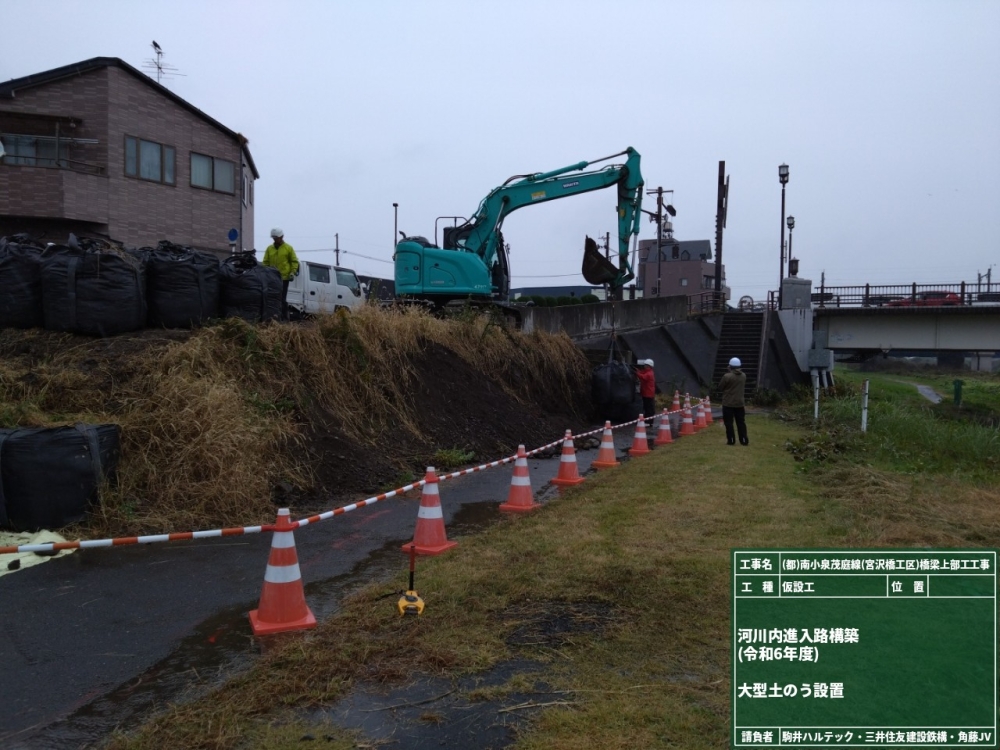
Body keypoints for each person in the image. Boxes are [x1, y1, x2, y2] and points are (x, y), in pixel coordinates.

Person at [262, 227, 299, 321]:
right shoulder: (269, 249)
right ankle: (272, 317)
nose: (275, 239)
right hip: (272, 278)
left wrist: (292, 272)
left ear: (282, 237)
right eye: (273, 238)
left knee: (281, 299)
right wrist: (265, 272)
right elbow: (265, 262)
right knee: (271, 298)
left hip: (284, 278)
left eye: (276, 238)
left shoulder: (288, 248)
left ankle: (285, 318)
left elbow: (294, 261)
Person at [719, 356, 748, 446]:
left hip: (728, 403)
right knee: (741, 422)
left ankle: (731, 440)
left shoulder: (727, 376)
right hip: (740, 403)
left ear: (730, 366)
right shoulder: (743, 376)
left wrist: (729, 372)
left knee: (729, 423)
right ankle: (744, 440)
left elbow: (721, 387)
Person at [635, 359, 657, 426]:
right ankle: (648, 421)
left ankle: (648, 422)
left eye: (646, 365)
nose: (644, 366)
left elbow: (643, 377)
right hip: (647, 393)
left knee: (648, 408)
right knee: (647, 407)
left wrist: (637, 373)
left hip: (648, 394)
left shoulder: (649, 373)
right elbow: (643, 373)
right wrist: (638, 371)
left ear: (649, 366)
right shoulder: (648, 371)